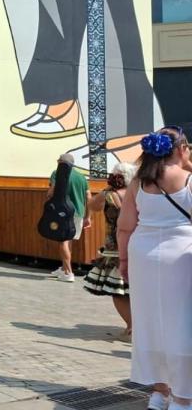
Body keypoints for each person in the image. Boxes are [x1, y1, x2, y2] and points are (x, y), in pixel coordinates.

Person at [118, 126, 192, 410]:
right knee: (181, 323)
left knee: (149, 323)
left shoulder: (138, 182)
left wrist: (123, 261)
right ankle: (183, 398)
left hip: (142, 255)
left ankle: (159, 393)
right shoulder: (188, 180)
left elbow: (125, 227)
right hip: (181, 255)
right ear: (181, 149)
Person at [83, 162, 136, 341]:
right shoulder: (138, 193)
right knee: (136, 291)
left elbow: (92, 205)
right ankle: (139, 328)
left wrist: (107, 189)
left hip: (115, 249)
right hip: (137, 245)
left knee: (117, 292)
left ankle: (131, 327)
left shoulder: (108, 195)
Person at [46, 153, 91, 283]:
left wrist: (48, 195)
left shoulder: (56, 173)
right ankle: (63, 268)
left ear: (61, 163)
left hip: (63, 213)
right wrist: (88, 216)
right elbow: (88, 197)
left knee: (63, 242)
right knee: (68, 241)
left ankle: (68, 272)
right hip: (79, 213)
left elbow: (51, 192)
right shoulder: (82, 177)